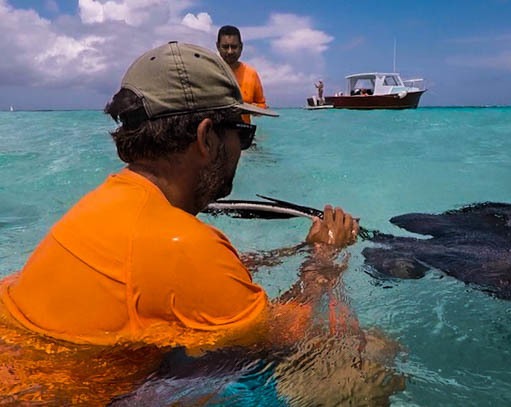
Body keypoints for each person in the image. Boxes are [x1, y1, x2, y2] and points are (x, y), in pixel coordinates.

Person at [0, 42, 404, 404]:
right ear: (206, 137)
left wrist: (287, 252)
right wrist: (323, 261)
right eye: (242, 135)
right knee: (368, 361)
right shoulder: (183, 244)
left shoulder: (110, 200)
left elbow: (167, 284)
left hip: (32, 369)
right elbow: (280, 337)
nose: (241, 150)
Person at [217, 25, 267, 125]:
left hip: (243, 132)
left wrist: (256, 109)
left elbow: (262, 104)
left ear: (241, 47)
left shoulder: (251, 73)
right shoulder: (209, 71)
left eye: (234, 47)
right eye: (225, 47)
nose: (230, 51)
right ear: (218, 46)